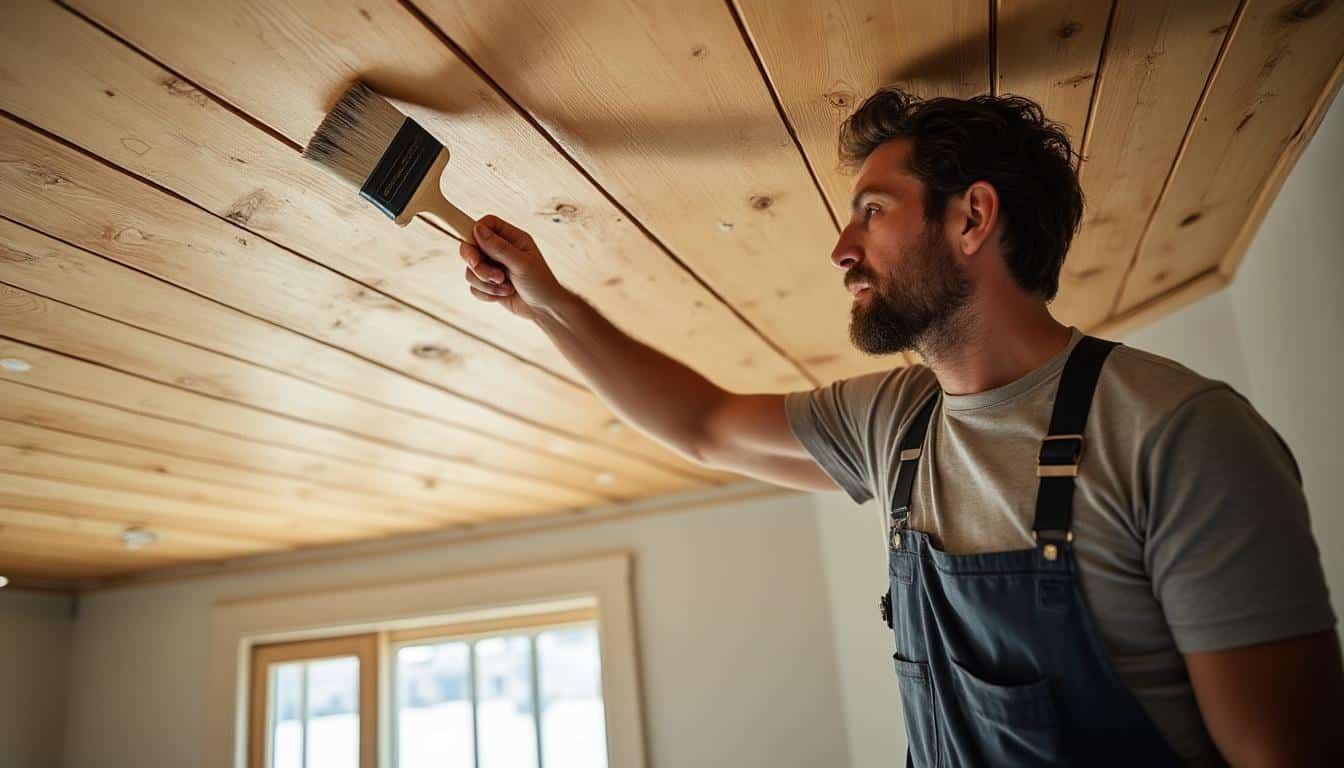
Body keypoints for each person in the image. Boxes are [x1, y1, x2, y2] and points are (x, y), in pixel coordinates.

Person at [458, 87, 1342, 766]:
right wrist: (545, 304)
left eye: (873, 211)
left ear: (972, 218)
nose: (843, 248)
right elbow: (702, 426)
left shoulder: (1176, 436)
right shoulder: (896, 421)